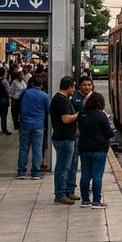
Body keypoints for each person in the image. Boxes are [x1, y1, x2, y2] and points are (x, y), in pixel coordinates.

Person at [77, 92, 114, 209]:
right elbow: (109, 133)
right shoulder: (101, 116)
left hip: (84, 148)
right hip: (99, 149)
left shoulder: (81, 115)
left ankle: (85, 200)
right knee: (97, 176)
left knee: (85, 175)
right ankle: (96, 201)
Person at [49, 76, 79, 205]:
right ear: (69, 86)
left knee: (69, 166)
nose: (74, 89)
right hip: (64, 138)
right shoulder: (60, 100)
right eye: (73, 86)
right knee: (62, 167)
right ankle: (60, 194)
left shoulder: (63, 99)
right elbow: (66, 119)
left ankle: (67, 191)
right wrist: (79, 115)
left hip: (68, 137)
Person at [16, 76, 50, 180]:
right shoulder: (45, 96)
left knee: (23, 148)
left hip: (25, 125)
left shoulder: (25, 93)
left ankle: (21, 171)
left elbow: (17, 106)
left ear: (31, 83)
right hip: (38, 125)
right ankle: (35, 172)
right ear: (41, 85)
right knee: (37, 149)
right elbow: (48, 110)